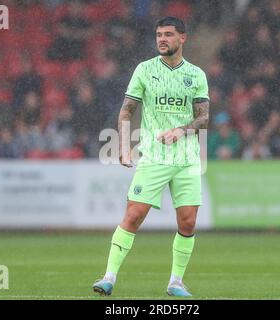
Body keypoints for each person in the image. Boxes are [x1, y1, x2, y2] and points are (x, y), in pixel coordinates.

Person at [92, 17, 210, 297]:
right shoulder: (144, 70)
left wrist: (182, 130)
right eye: (159, 34)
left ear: (183, 38)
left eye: (168, 34)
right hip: (154, 157)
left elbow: (204, 118)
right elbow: (126, 110)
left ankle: (176, 282)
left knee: (188, 223)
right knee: (133, 216)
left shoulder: (196, 74)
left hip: (187, 159)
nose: (162, 39)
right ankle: (108, 277)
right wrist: (123, 144)